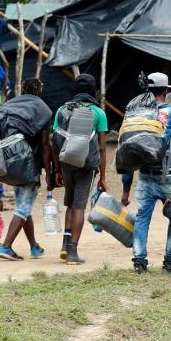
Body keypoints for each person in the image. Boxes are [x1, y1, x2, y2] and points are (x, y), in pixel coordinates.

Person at [120, 72, 171, 275]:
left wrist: (126, 188)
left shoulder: (135, 111)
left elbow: (126, 150)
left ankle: (139, 260)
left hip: (144, 175)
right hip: (169, 176)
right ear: (165, 90)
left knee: (143, 217)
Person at [53, 74, 108, 265]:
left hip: (66, 162)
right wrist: (102, 175)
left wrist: (57, 170)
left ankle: (65, 244)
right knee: (79, 206)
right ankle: (73, 252)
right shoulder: (98, 113)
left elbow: (56, 140)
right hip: (87, 165)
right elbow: (102, 147)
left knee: (69, 203)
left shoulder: (62, 110)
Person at [0, 78, 54, 261]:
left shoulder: (10, 104)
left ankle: (34, 247)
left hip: (7, 160)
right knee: (23, 207)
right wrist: (48, 173)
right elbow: (45, 145)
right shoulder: (44, 109)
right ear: (39, 89)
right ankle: (6, 247)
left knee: (24, 205)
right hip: (27, 163)